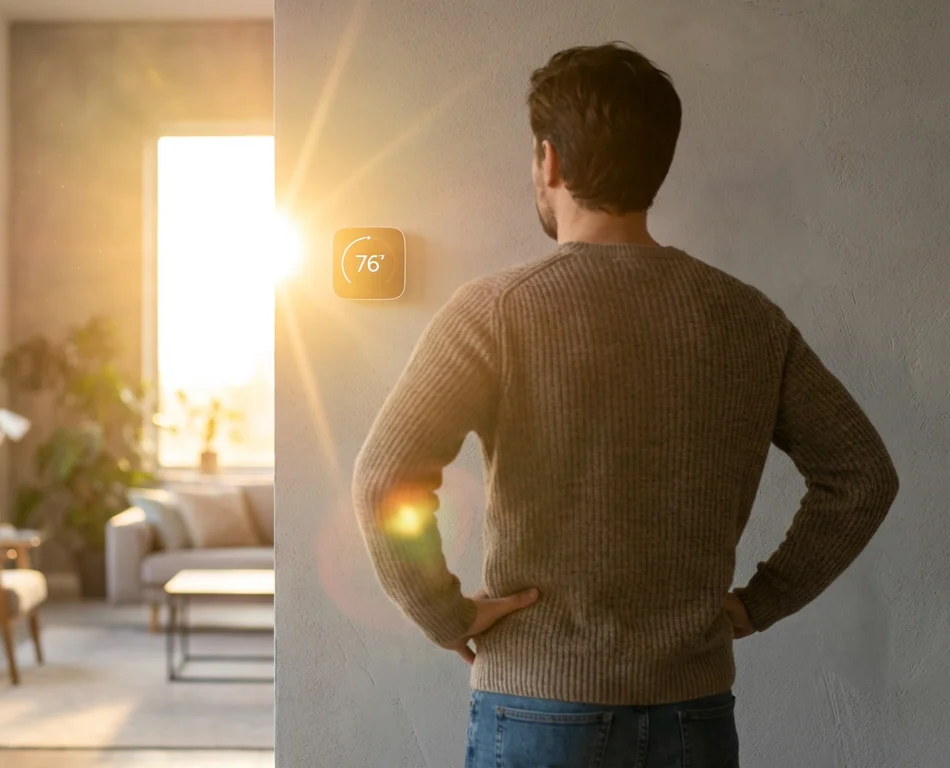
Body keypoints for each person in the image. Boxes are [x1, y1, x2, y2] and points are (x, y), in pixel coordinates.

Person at [352, 42, 899, 768]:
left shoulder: (495, 312)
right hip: (690, 715)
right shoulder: (746, 317)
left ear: (548, 161)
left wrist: (444, 613)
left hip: (537, 706)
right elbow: (862, 474)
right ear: (657, 165)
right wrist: (759, 602)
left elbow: (387, 478)